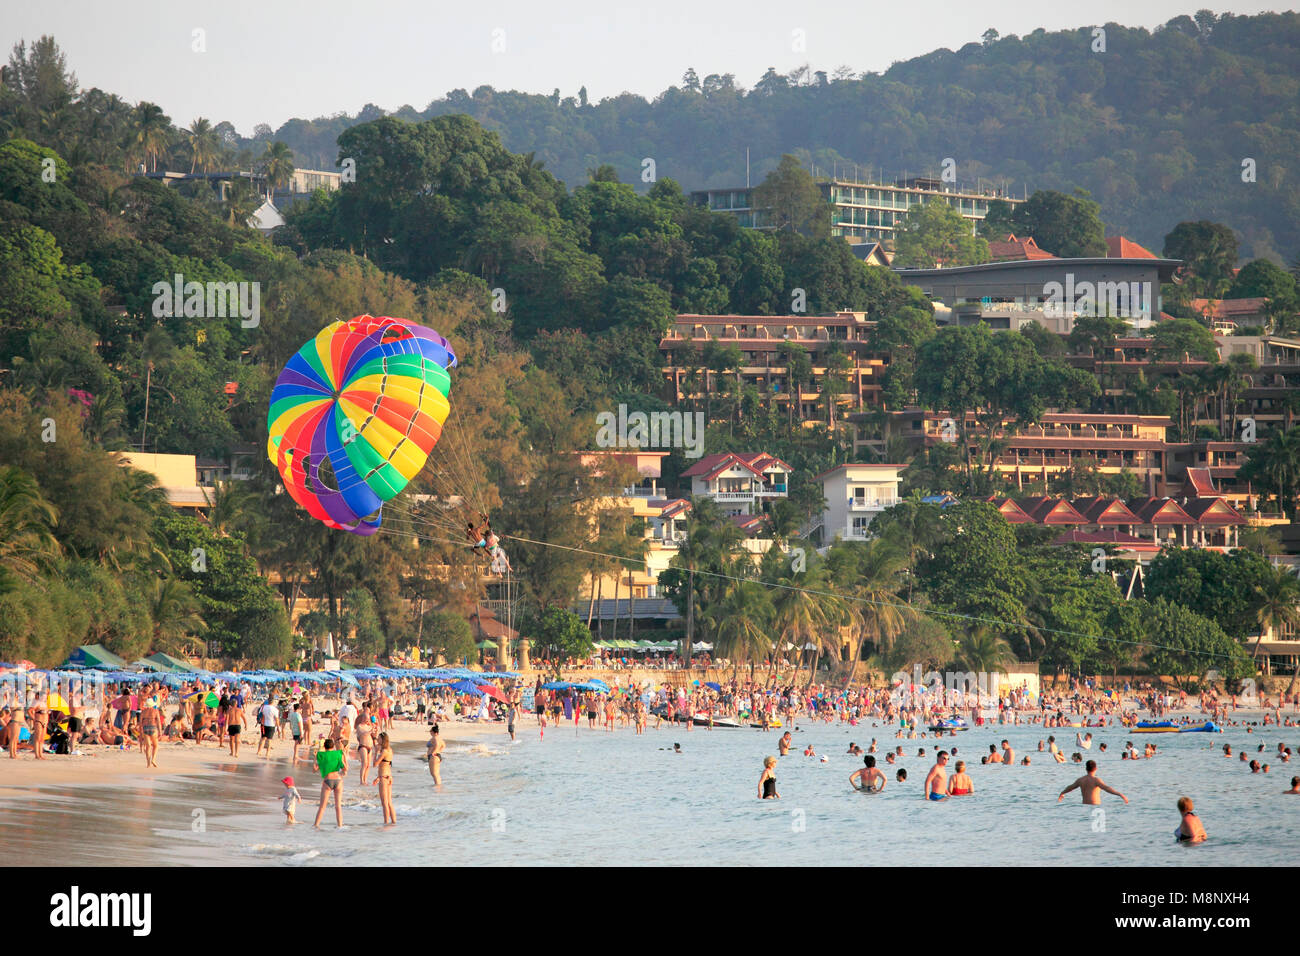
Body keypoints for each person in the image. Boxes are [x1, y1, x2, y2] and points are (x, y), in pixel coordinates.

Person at [1058, 760, 1128, 805]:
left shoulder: (1080, 780)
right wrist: (1120, 794)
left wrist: (1062, 793)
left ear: (1086, 769)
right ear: (1096, 768)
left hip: (1084, 806)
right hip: (1095, 806)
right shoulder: (1096, 780)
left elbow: (1070, 787)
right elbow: (1107, 788)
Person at [313, 738, 347, 829]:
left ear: (324, 746)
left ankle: (316, 825)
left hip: (327, 781)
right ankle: (340, 825)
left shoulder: (321, 755)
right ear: (333, 746)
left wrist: (315, 757)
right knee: (338, 806)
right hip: (338, 780)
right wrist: (344, 756)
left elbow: (314, 769)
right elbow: (345, 768)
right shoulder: (338, 754)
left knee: (322, 806)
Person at [374, 732, 396, 825]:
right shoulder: (390, 750)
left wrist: (375, 753)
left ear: (383, 740)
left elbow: (375, 764)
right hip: (388, 776)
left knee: (384, 802)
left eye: (379, 739)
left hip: (383, 777)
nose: (377, 740)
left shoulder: (384, 751)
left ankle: (386, 822)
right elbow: (387, 765)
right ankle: (394, 822)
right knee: (389, 802)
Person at [139, 695, 163, 768]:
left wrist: (141, 732)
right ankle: (154, 759)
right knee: (155, 746)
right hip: (153, 727)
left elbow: (140, 723)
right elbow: (158, 722)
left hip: (145, 728)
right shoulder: (155, 711)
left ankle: (148, 763)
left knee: (148, 746)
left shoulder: (143, 712)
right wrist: (160, 731)